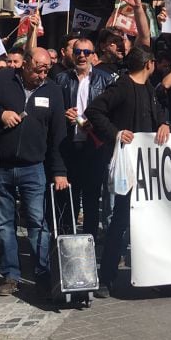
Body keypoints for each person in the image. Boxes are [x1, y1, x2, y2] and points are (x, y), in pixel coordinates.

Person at [0, 48, 67, 298]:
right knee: (3, 225)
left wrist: (59, 171)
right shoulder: (2, 80)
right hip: (0, 165)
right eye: (37, 69)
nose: (41, 74)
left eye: (46, 69)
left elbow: (58, 135)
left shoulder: (52, 90)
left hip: (33, 168)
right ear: (25, 64)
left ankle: (42, 273)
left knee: (37, 223)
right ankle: (10, 275)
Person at [86, 45, 169, 298]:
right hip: (127, 168)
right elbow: (94, 111)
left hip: (147, 169)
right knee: (119, 222)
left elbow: (158, 114)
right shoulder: (122, 86)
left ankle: (150, 275)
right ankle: (107, 277)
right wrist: (116, 133)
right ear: (149, 64)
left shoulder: (148, 90)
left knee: (148, 224)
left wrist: (164, 122)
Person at [55, 37, 113, 238]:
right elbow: (53, 112)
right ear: (72, 54)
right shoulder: (61, 79)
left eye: (86, 52)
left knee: (91, 199)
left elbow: (110, 113)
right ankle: (67, 243)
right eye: (78, 51)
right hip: (68, 146)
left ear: (93, 55)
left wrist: (90, 125)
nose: (82, 56)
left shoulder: (105, 79)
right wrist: (63, 113)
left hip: (94, 147)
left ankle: (89, 243)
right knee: (67, 198)